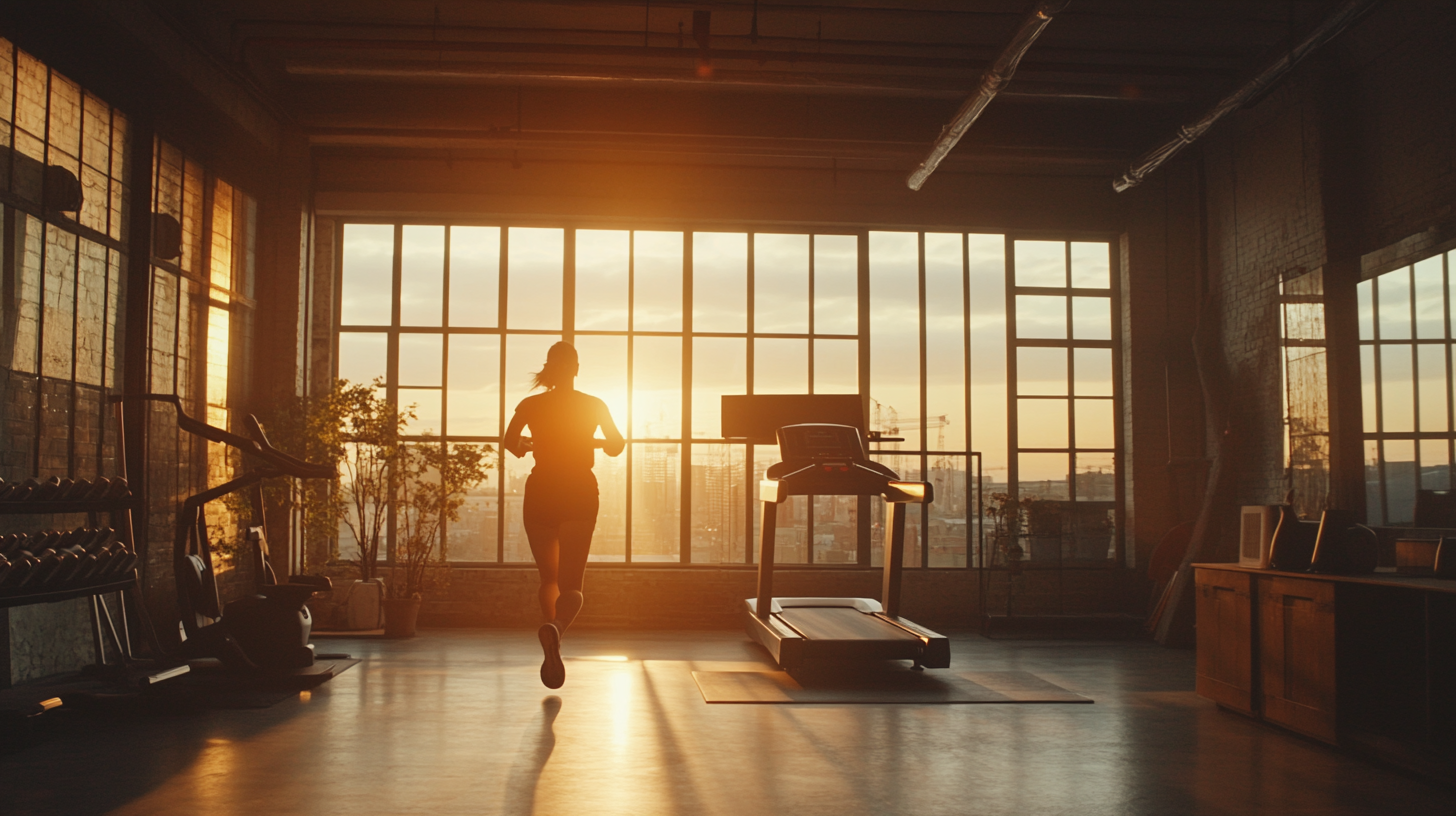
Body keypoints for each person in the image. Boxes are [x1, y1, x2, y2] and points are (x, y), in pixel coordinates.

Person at [504, 341, 624, 689]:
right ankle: (556, 630)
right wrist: (591, 443)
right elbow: (617, 445)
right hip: (578, 491)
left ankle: (550, 639)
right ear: (576, 368)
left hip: (541, 490)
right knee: (572, 585)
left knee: (549, 580)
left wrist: (532, 444)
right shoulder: (594, 405)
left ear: (549, 368)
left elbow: (511, 443)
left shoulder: (531, 404)